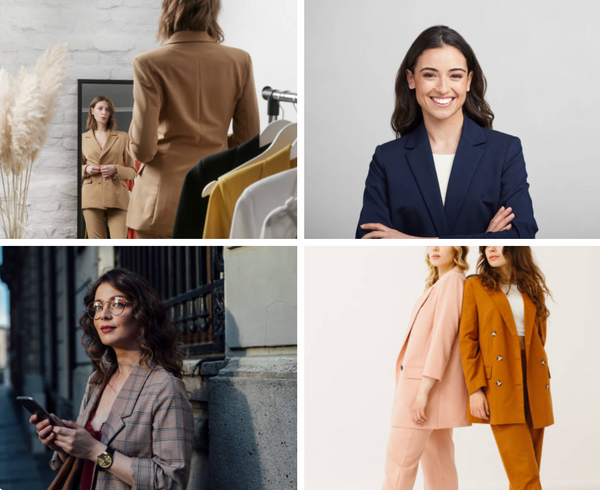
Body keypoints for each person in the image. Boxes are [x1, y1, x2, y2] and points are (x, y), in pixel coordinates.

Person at [357, 25, 538, 239]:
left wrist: (412, 241)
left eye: (455, 76)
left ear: (468, 81)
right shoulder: (386, 159)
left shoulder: (505, 151)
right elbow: (370, 242)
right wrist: (484, 238)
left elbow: (521, 235)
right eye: (430, 75)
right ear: (411, 79)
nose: (443, 88)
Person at [30, 268, 193, 489]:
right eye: (97, 306)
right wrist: (62, 442)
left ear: (142, 314)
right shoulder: (97, 381)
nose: (103, 314)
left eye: (117, 304)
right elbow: (85, 458)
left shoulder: (165, 388)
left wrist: (96, 451)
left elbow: (170, 481)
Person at [127, 0, 260, 238]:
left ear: (169, 10)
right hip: (216, 198)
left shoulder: (148, 63)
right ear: (213, 10)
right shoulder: (240, 61)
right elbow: (248, 143)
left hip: (161, 205)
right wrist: (215, 141)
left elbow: (143, 150)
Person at [459, 246, 553, 489]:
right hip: (499, 381)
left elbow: (539, 338)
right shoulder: (476, 286)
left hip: (533, 378)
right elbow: (467, 340)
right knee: (526, 477)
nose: (491, 248)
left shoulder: (531, 287)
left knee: (527, 473)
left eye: (499, 244)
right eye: (487, 246)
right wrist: (475, 388)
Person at [383, 246, 470, 490]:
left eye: (442, 242)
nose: (434, 247)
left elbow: (442, 338)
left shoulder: (452, 282)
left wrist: (423, 392)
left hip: (422, 389)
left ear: (458, 248)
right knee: (439, 466)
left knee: (399, 466)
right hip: (430, 389)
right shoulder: (440, 284)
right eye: (431, 242)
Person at [82, 96, 137, 239]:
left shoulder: (123, 137)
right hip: (91, 196)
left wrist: (116, 169)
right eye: (100, 108)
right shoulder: (83, 139)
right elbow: (75, 169)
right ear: (92, 111)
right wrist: (86, 169)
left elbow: (132, 171)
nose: (104, 112)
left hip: (117, 197)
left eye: (107, 109)